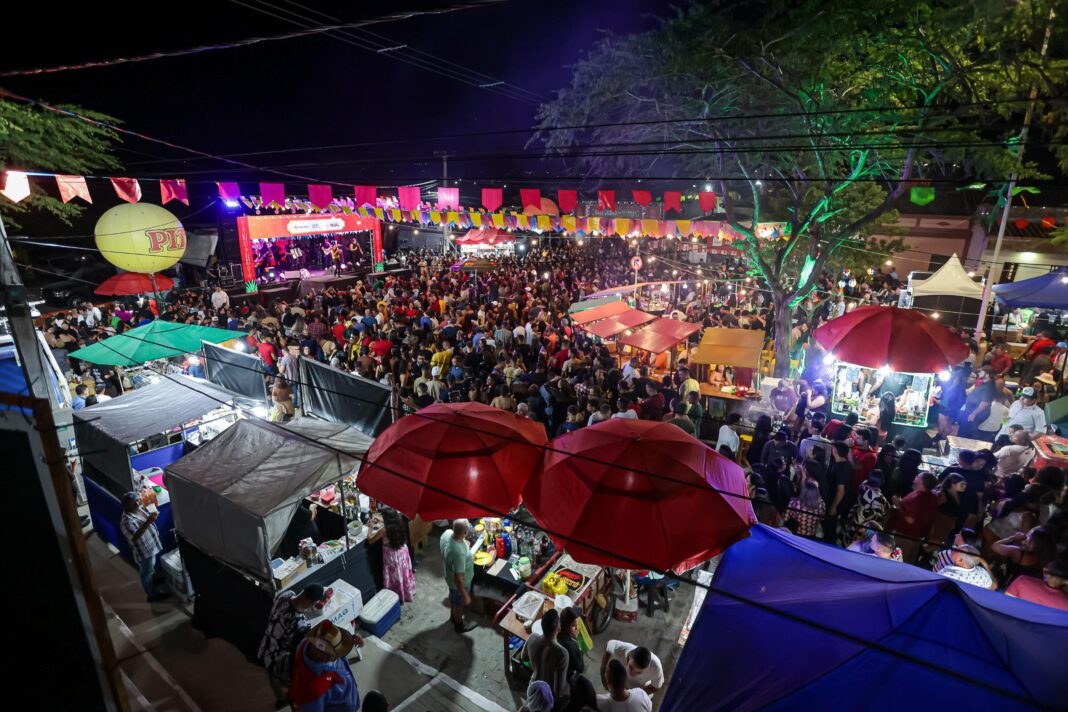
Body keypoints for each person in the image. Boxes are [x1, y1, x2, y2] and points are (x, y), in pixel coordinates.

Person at [258, 583, 328, 706]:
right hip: (278, 660)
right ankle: (283, 698)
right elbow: (304, 644)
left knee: (271, 676)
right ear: (311, 602)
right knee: (285, 678)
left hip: (265, 646)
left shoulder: (286, 595)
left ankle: (278, 690)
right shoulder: (301, 624)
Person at [289, 620, 362, 712]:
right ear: (320, 653)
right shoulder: (314, 691)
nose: (337, 656)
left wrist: (351, 639)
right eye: (333, 654)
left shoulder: (305, 644)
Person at [120, 492, 167, 602]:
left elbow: (146, 512)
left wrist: (152, 514)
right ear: (126, 505)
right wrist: (149, 521)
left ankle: (152, 580)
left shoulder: (137, 508)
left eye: (138, 500)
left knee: (151, 568)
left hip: (151, 545)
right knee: (146, 573)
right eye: (134, 502)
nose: (138, 503)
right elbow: (134, 537)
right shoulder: (126, 521)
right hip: (144, 551)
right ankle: (152, 595)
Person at [889, 471, 939, 564]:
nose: (916, 476)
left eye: (918, 476)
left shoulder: (919, 499)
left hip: (906, 535)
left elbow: (910, 520)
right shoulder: (932, 495)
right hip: (918, 536)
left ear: (922, 482)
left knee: (899, 559)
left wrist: (898, 505)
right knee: (910, 558)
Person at [524, 608, 570, 702]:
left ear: (542, 625)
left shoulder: (532, 638)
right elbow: (559, 690)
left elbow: (523, 657)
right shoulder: (562, 653)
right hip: (548, 696)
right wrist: (569, 690)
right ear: (559, 628)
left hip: (533, 688)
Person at [440, 519, 476, 633]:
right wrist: (465, 595)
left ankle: (453, 616)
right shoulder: (458, 553)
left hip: (449, 577)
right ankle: (459, 625)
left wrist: (464, 544)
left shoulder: (447, 534)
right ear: (465, 532)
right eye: (468, 528)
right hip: (459, 584)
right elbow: (459, 578)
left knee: (453, 597)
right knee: (459, 604)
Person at [381, 508, 415, 603]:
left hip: (392, 556)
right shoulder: (400, 524)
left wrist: (370, 526)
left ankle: (398, 596)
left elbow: (370, 539)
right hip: (403, 552)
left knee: (396, 577)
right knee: (404, 573)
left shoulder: (384, 530)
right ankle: (408, 592)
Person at [558, 607, 585, 682]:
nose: (576, 628)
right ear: (566, 627)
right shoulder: (571, 646)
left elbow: (579, 609)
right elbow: (581, 668)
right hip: (565, 674)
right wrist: (575, 641)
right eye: (573, 626)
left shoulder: (557, 631)